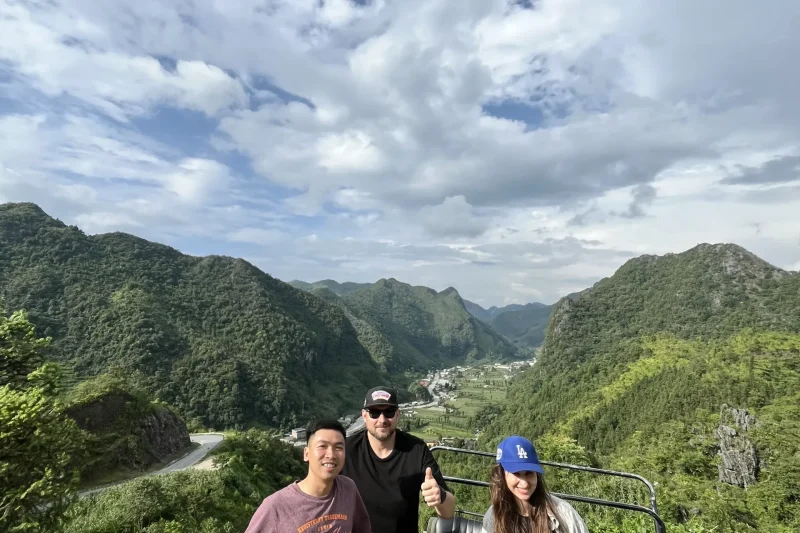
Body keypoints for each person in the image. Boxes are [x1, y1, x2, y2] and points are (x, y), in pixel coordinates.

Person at [341, 386, 456, 532]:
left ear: (397, 414)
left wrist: (440, 495)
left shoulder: (416, 450)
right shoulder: (346, 449)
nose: (382, 420)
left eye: (388, 412)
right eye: (375, 413)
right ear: (364, 416)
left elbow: (449, 510)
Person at [244, 419, 371, 533]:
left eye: (338, 447)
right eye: (322, 446)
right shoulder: (275, 507)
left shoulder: (348, 488)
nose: (331, 454)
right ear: (306, 453)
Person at [482, 435, 589, 533]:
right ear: (502, 475)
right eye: (516, 474)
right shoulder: (493, 517)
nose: (524, 484)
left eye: (529, 473)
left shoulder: (564, 514)